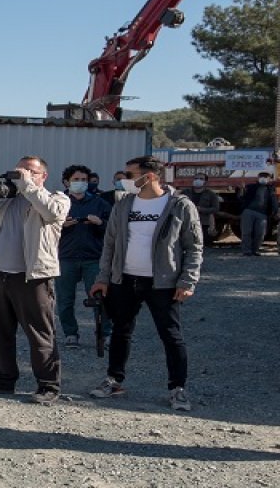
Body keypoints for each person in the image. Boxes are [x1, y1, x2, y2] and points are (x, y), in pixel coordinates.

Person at [89, 156, 202, 412]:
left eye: (130, 175)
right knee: (121, 331)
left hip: (163, 283)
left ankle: (178, 389)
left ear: (149, 176)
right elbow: (110, 244)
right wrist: (103, 278)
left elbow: (194, 247)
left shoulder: (179, 205)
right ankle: (114, 380)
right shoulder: (124, 204)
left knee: (171, 335)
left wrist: (187, 280)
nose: (124, 180)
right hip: (125, 279)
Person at [0, 156, 68, 404]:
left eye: (30, 171)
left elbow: (50, 212)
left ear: (43, 176)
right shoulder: (5, 203)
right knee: (0, 331)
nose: (23, 174)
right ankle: (3, 379)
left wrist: (28, 185)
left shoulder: (57, 198)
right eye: (19, 171)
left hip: (33, 278)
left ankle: (48, 385)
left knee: (39, 333)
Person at [56, 164, 112, 349]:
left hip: (93, 258)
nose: (80, 183)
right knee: (65, 299)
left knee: (100, 298)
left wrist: (100, 223)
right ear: (66, 182)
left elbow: (113, 229)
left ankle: (104, 334)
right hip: (66, 257)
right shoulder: (58, 202)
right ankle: (71, 334)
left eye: (84, 180)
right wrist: (61, 226)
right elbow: (44, 228)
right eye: (76, 180)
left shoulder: (100, 202)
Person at [238, 172, 277, 256]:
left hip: (262, 214)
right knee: (246, 232)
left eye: (266, 176)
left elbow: (274, 202)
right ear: (258, 177)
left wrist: (275, 212)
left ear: (269, 179)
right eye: (262, 176)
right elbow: (241, 197)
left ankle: (255, 250)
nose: (264, 178)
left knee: (260, 233)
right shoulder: (250, 187)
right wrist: (241, 190)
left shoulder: (271, 189)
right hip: (248, 211)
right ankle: (246, 251)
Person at [185, 172, 221, 245]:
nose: (198, 180)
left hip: (204, 223)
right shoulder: (186, 192)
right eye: (196, 178)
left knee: (204, 243)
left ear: (205, 182)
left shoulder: (211, 194)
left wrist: (201, 209)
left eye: (201, 179)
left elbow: (216, 209)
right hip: (188, 222)